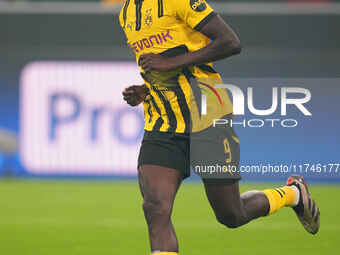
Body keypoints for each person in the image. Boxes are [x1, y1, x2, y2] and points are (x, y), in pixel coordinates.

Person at [119, 0, 320, 254]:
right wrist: (146, 90)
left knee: (231, 215)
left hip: (208, 116)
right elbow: (160, 63)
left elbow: (230, 42)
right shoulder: (126, 13)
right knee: (155, 208)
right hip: (163, 122)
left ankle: (293, 194)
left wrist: (171, 63)